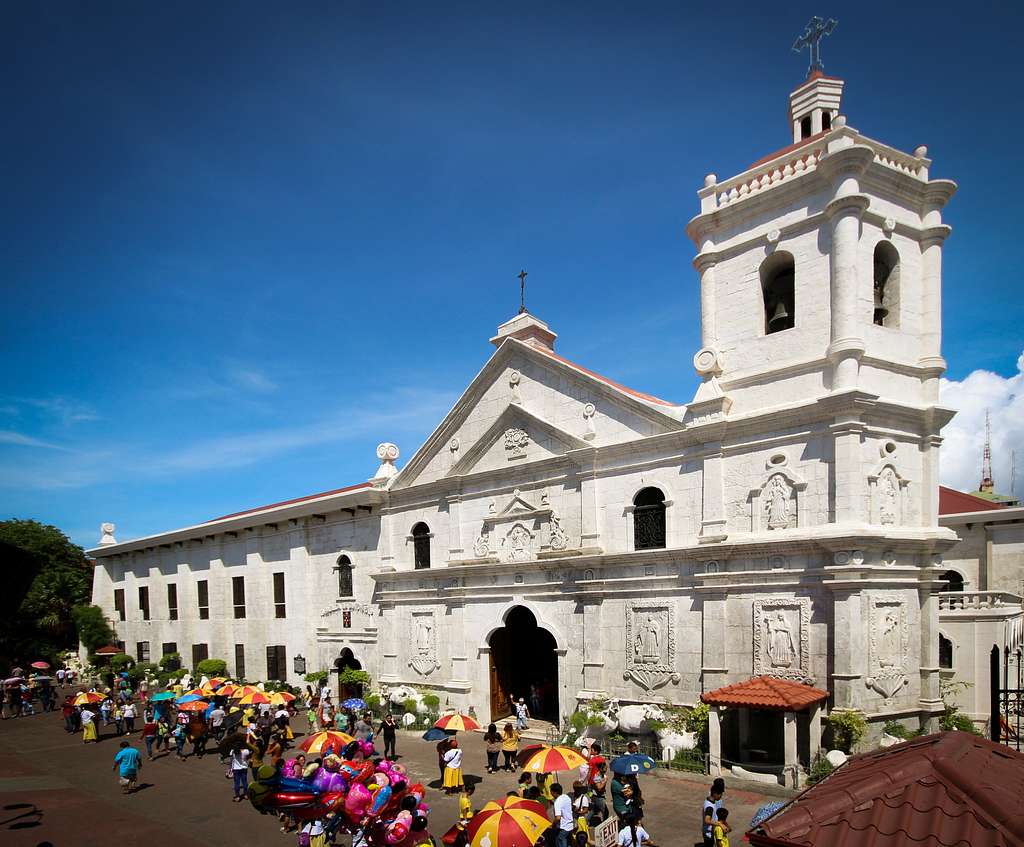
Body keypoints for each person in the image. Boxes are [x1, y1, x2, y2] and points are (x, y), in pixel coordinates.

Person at [702, 778, 726, 847]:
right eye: (720, 794)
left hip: (709, 832)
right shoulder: (710, 807)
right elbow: (707, 820)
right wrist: (720, 824)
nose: (721, 796)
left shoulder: (709, 800)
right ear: (715, 793)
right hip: (709, 834)